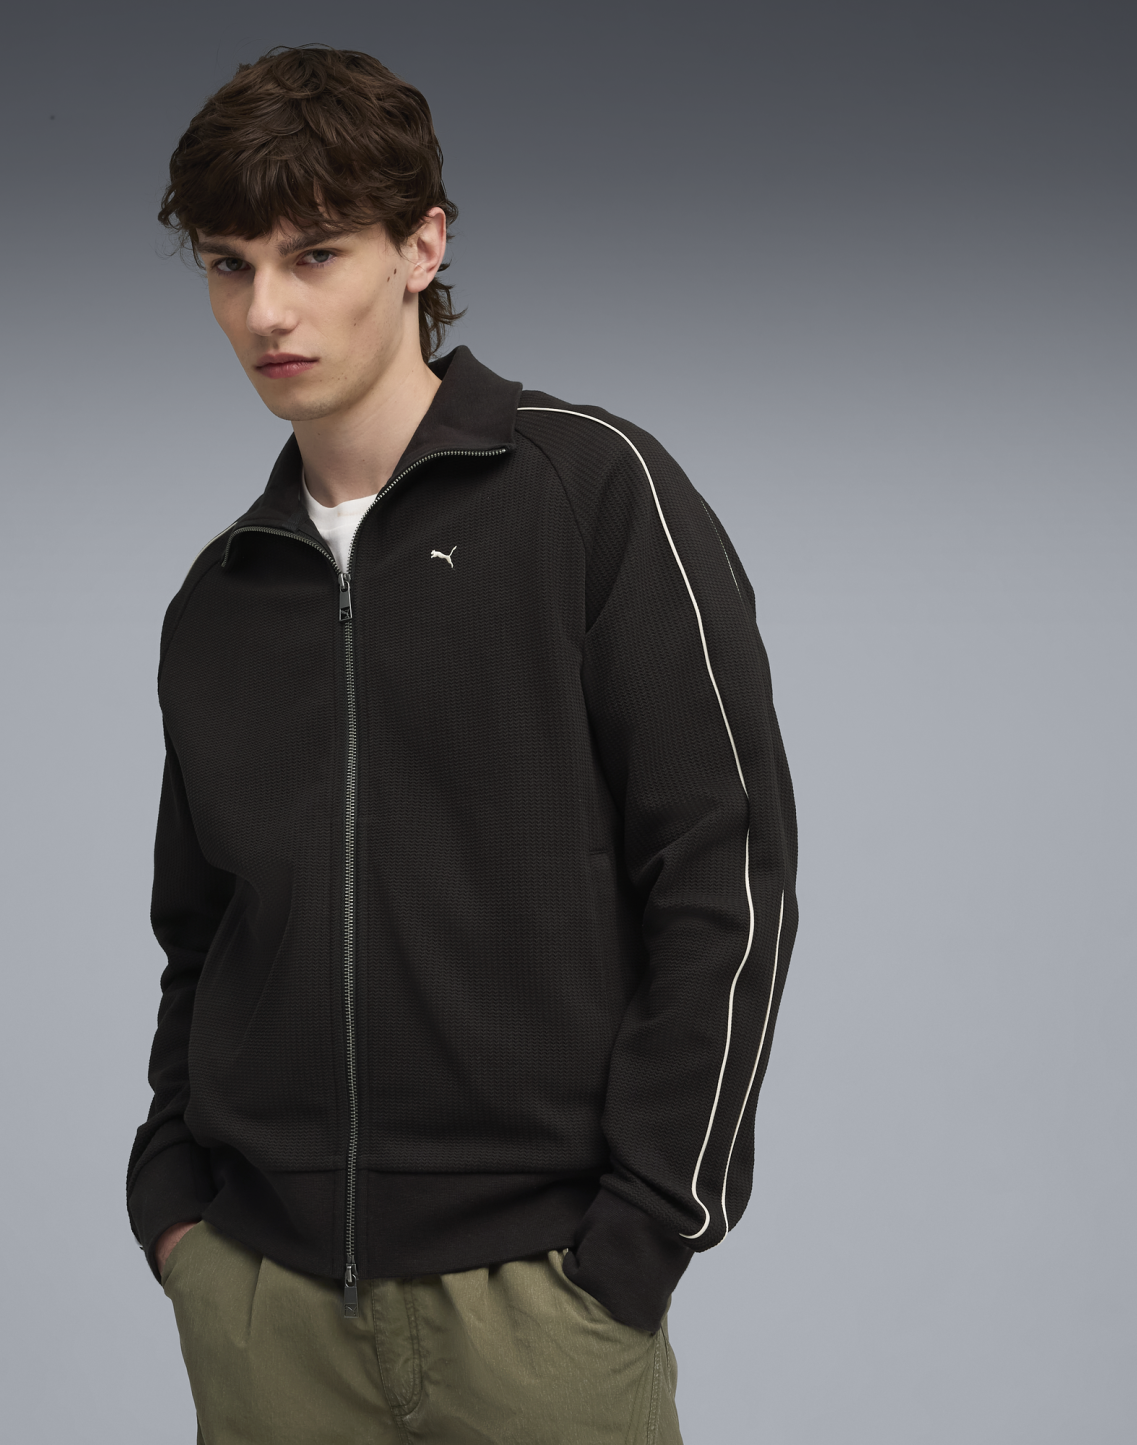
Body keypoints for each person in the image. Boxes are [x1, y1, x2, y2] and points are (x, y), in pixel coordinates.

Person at [126, 45, 797, 1444]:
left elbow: (724, 868)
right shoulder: (220, 599)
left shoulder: (592, 495)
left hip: (539, 1307)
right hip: (265, 1311)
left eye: (314, 254)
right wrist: (176, 1208)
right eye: (230, 265)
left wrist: (644, 1231)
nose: (266, 309)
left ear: (423, 247)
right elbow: (202, 931)